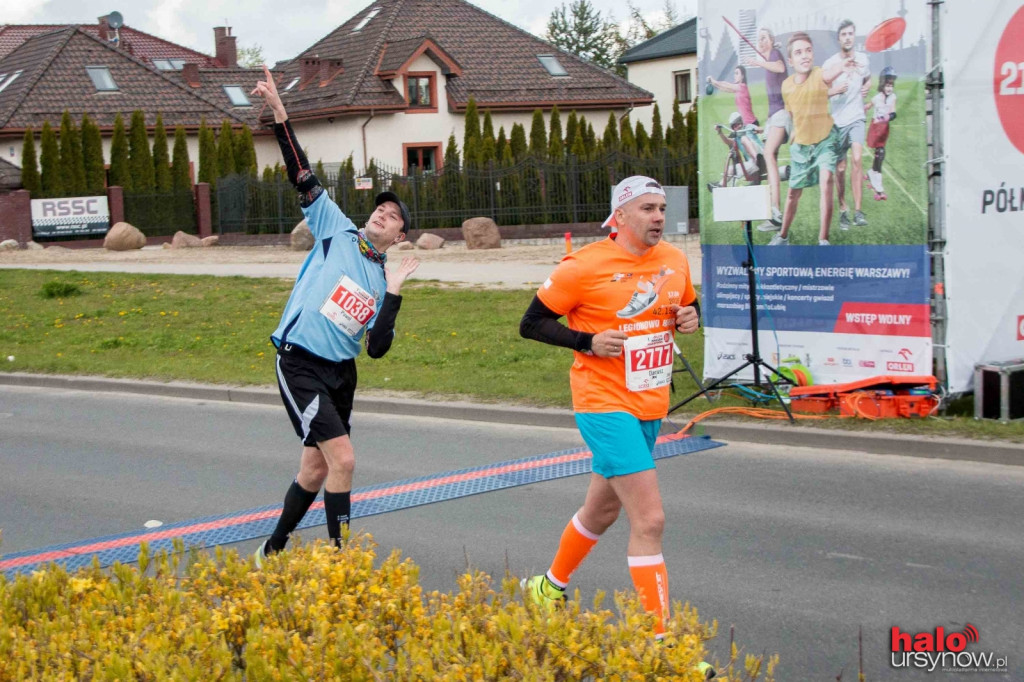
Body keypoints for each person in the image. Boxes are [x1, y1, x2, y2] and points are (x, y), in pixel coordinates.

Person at [518, 176, 709, 678]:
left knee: (600, 511)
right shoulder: (583, 266)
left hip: (650, 403)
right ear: (620, 216)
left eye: (662, 208)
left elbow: (688, 305)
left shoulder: (674, 258)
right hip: (603, 404)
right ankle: (663, 651)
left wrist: (691, 316)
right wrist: (586, 342)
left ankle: (547, 587)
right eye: (647, 208)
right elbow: (531, 323)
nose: (658, 217)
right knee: (649, 521)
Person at [249, 65, 420, 563]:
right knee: (343, 459)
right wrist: (281, 115)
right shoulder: (337, 228)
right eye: (380, 210)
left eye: (392, 217)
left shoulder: (381, 276)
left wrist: (392, 294)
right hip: (299, 362)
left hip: (341, 373)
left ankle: (272, 550)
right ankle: (339, 561)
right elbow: (302, 175)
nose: (381, 216)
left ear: (400, 236)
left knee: (316, 470)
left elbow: (378, 349)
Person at [769, 32, 847, 246]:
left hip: (825, 140)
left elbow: (831, 74)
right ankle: (783, 235)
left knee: (826, 181)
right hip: (802, 145)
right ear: (791, 60)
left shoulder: (820, 74)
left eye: (808, 50)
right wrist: (794, 134)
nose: (805, 56)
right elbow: (793, 113)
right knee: (793, 194)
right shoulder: (786, 86)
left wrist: (846, 63)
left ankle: (823, 239)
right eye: (798, 52)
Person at [823, 19, 872, 230]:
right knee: (840, 169)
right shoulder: (830, 64)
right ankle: (844, 208)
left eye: (850, 33)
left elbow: (867, 78)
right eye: (843, 34)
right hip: (837, 122)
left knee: (858, 158)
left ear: (854, 36)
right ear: (838, 39)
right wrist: (835, 90)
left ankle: (859, 212)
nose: (848, 37)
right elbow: (819, 93)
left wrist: (866, 87)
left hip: (857, 117)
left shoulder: (863, 60)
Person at [743, 27, 791, 230]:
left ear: (771, 40)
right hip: (774, 117)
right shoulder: (768, 59)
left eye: (764, 38)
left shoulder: (775, 54)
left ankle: (776, 212)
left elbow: (780, 67)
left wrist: (757, 62)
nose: (761, 42)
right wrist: (766, 127)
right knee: (769, 158)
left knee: (769, 154)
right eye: (758, 40)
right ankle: (775, 214)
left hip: (781, 114)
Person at [707, 111, 765, 191]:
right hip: (753, 164)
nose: (737, 127)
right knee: (731, 169)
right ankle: (720, 186)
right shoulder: (737, 138)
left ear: (741, 122)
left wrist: (758, 130)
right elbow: (727, 141)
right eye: (734, 126)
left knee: (744, 139)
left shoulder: (748, 127)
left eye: (738, 124)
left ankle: (757, 158)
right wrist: (719, 131)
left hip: (763, 156)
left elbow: (761, 129)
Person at [865, 67, 898, 200]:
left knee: (880, 154)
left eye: (891, 85)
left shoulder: (893, 97)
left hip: (884, 127)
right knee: (880, 154)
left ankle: (872, 172)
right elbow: (869, 105)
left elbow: (893, 112)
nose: (889, 88)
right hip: (875, 127)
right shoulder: (877, 97)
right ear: (882, 84)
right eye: (887, 85)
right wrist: (864, 108)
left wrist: (888, 117)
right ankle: (878, 185)